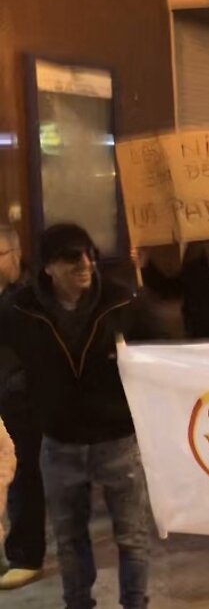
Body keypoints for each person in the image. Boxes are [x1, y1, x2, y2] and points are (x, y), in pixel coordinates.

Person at [0, 224, 153, 608]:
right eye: (72, 257)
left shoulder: (121, 301)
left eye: (89, 254)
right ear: (49, 267)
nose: (85, 264)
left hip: (116, 441)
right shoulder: (21, 310)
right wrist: (26, 391)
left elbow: (158, 350)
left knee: (132, 537)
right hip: (60, 443)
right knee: (70, 542)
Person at [0, 226, 44, 591]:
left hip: (21, 399)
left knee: (23, 476)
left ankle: (26, 554)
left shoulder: (26, 298)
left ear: (15, 255)